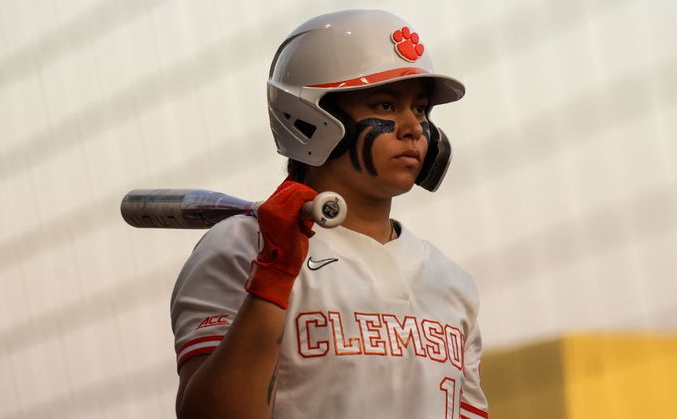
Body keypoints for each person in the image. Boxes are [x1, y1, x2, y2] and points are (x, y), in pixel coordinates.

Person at [171, 9, 489, 419]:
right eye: (386, 105)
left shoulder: (453, 283)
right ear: (313, 116)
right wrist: (273, 275)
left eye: (422, 109)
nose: (414, 127)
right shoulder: (243, 245)